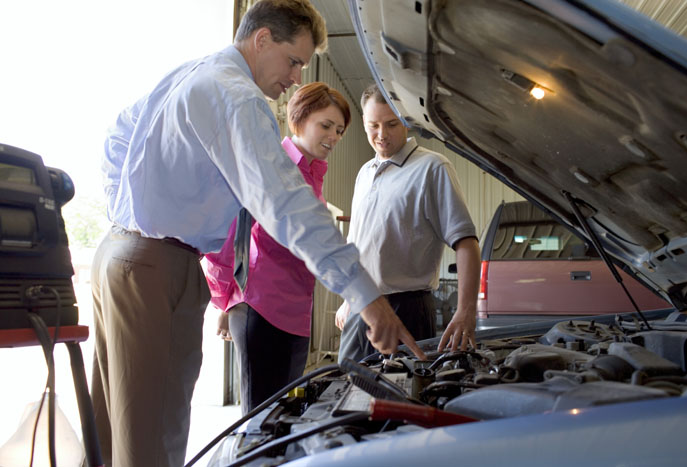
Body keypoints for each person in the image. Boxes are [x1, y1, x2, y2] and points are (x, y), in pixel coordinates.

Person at [91, 2, 424, 465]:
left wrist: (126, 212)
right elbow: (287, 206)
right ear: (262, 39)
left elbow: (116, 139)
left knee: (108, 434)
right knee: (150, 443)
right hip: (158, 264)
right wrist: (367, 297)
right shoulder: (237, 96)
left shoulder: (192, 74)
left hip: (119, 256)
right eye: (293, 61)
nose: (294, 78)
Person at [202, 81, 351, 414]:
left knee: (284, 415)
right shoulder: (271, 164)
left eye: (339, 130)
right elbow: (230, 233)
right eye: (325, 125)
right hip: (261, 306)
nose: (334, 136)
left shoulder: (313, 174)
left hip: (296, 311)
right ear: (298, 120)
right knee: (259, 418)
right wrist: (226, 301)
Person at [336, 83, 481, 362]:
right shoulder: (364, 173)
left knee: (400, 397)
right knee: (347, 395)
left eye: (391, 124)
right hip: (360, 306)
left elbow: (466, 242)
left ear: (407, 121)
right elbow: (359, 244)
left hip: (407, 309)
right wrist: (349, 299)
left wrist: (466, 311)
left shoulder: (432, 168)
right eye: (373, 125)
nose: (381, 135)